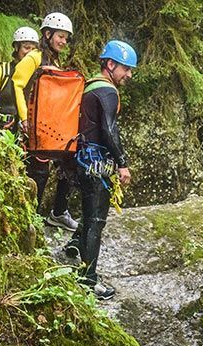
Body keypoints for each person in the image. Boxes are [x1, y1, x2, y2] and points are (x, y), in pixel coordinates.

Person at [63, 40, 135, 300]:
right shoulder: (107, 91)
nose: (128, 75)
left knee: (90, 212)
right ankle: (88, 280)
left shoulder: (91, 86)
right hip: (96, 163)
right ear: (110, 64)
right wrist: (123, 163)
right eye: (125, 69)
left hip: (83, 159)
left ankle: (74, 244)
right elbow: (109, 130)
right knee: (96, 220)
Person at [11, 12, 78, 231]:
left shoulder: (54, 60)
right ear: (47, 34)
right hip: (33, 125)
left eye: (66, 38)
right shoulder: (35, 57)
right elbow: (17, 84)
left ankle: (58, 212)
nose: (63, 41)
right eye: (60, 36)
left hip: (50, 127)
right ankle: (30, 219)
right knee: (39, 173)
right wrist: (24, 119)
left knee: (68, 164)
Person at [0, 26, 39, 133]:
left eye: (33, 50)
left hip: (28, 134)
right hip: (2, 131)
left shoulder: (38, 76)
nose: (30, 53)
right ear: (16, 47)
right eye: (26, 48)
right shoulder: (0, 72)